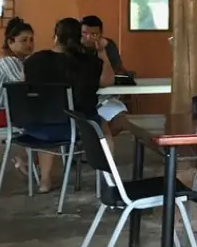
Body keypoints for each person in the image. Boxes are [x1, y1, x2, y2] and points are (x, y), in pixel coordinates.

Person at [23, 18, 125, 193]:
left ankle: (45, 181)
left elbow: (24, 85)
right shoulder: (89, 62)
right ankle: (108, 180)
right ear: (80, 39)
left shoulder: (34, 60)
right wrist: (102, 52)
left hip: (38, 127)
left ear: (55, 37)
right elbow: (108, 81)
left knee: (51, 117)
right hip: (78, 128)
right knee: (103, 128)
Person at [0, 17, 34, 128]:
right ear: (10, 42)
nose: (29, 44)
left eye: (31, 40)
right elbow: (25, 86)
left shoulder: (4, 57)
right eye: (24, 40)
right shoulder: (8, 60)